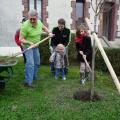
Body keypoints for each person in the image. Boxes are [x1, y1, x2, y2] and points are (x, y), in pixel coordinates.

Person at [20, 9, 53, 88]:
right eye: (30, 18)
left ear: (37, 17)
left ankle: (33, 76)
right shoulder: (25, 26)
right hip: (28, 46)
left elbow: (44, 28)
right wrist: (29, 43)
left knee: (37, 62)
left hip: (36, 46)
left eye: (34, 19)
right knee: (30, 63)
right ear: (28, 17)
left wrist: (49, 33)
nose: (32, 20)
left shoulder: (39, 23)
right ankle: (28, 82)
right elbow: (21, 39)